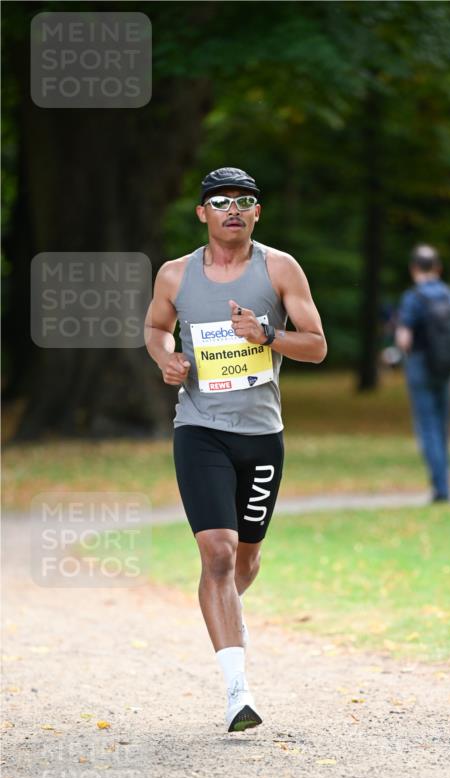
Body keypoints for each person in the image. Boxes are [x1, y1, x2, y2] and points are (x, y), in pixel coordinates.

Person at [144, 166, 327, 732]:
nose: (232, 209)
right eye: (219, 201)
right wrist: (165, 358)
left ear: (257, 213)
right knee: (218, 554)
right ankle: (236, 692)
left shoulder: (279, 268)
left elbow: (318, 347)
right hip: (199, 430)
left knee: (244, 560)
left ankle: (217, 608)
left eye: (244, 201)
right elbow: (155, 328)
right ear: (202, 213)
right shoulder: (176, 275)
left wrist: (268, 336)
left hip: (262, 436)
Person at [395, 245, 450, 502]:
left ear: (414, 268)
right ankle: (445, 482)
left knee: (428, 427)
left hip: (421, 365)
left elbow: (404, 338)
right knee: (442, 425)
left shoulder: (414, 297)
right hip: (445, 365)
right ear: (438, 268)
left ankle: (440, 489)